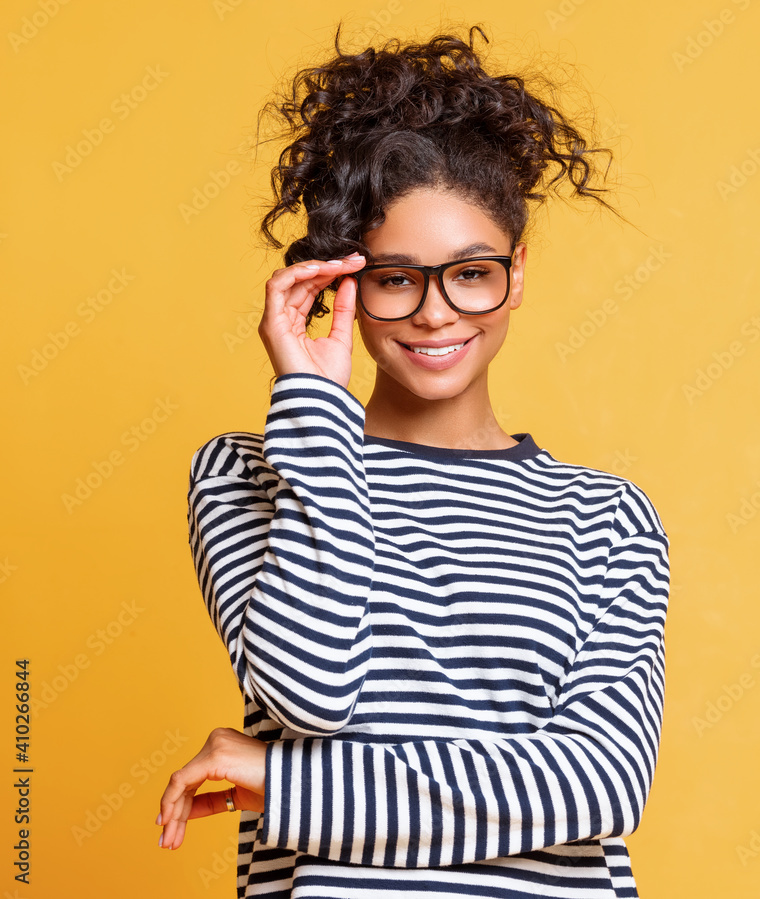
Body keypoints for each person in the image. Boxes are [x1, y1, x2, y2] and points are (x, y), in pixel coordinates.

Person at [156, 24, 670, 899]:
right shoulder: (252, 476)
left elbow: (602, 782)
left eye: (471, 272)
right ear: (339, 285)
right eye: (396, 278)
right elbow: (311, 691)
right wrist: (314, 404)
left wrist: (292, 787)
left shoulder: (608, 517)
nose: (437, 314)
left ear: (517, 265)